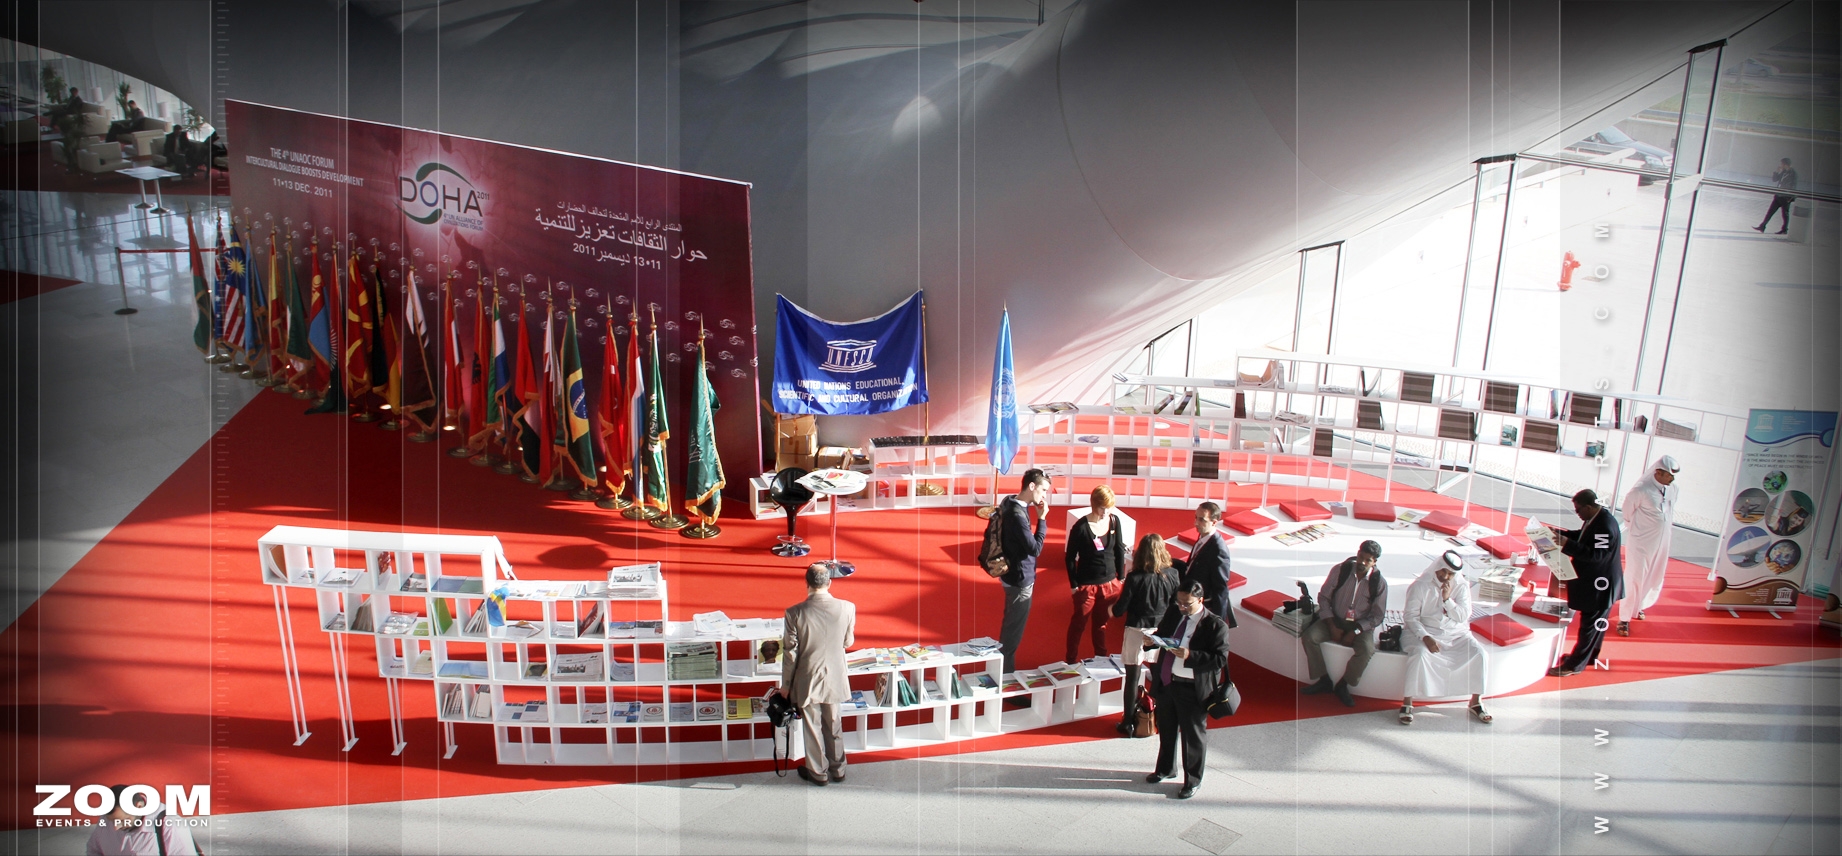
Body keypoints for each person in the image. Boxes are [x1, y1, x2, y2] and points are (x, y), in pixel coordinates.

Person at [1143, 581, 1229, 800]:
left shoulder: (1215, 625)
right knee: (1166, 729)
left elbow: (1220, 659)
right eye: (1179, 602)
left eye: (1187, 604)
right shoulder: (1175, 613)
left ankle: (1193, 780)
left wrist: (1191, 655)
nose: (1182, 607)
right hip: (1167, 682)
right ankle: (1165, 769)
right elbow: (1163, 634)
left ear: (1200, 600)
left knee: (1193, 737)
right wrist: (1151, 641)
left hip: (1192, 688)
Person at [779, 563, 857, 786]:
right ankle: (838, 769)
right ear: (829, 583)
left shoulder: (794, 612)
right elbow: (848, 642)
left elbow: (790, 653)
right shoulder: (848, 607)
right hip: (835, 676)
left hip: (807, 677)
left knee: (812, 727)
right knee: (833, 723)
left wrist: (786, 685)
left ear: (807, 584)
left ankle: (818, 772)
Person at [1399, 551, 1491, 725]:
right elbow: (1410, 617)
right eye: (1444, 571)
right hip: (1424, 632)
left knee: (1480, 654)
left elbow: (1462, 616)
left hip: (1456, 634)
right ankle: (1408, 702)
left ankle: (1476, 701)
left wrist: (1447, 599)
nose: (1446, 576)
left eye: (1451, 574)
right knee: (1419, 655)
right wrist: (1425, 637)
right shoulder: (1420, 586)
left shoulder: (1461, 586)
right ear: (1437, 567)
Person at [1299, 539, 1387, 707]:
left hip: (1360, 626)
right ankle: (1324, 680)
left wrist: (1355, 632)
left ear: (1374, 562)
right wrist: (1332, 626)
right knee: (1309, 637)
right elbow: (1323, 598)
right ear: (1358, 553)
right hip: (1335, 619)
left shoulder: (1379, 583)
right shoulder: (1341, 570)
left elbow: (1377, 616)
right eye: (1361, 557)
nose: (1362, 562)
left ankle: (1343, 685)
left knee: (1367, 649)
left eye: (1368, 560)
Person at [1549, 489, 1623, 677]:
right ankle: (1588, 657)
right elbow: (1583, 536)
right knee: (1596, 625)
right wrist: (1560, 534)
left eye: (1578, 510)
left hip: (1600, 586)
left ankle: (1574, 665)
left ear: (1589, 507)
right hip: (1600, 583)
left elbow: (1596, 555)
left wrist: (1566, 544)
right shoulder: (1597, 519)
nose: (1577, 514)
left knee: (1589, 626)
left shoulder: (1605, 526)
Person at [1110, 533, 1178, 735]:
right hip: (1161, 630)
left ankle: (1128, 722)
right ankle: (1155, 716)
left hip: (1137, 629)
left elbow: (1121, 608)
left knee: (1133, 677)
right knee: (1159, 676)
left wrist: (1111, 610)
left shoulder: (1135, 577)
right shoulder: (1173, 574)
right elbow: (1175, 605)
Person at [1064, 485, 1127, 663]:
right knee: (1078, 625)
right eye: (1102, 507)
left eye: (1109, 507)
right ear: (1094, 504)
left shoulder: (1114, 521)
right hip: (1087, 585)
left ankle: (1101, 658)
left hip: (1110, 584)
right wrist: (1074, 585)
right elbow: (1070, 557)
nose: (1106, 512)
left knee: (1101, 625)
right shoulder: (1081, 527)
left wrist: (1121, 576)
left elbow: (1119, 549)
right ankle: (1070, 660)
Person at [996, 468, 1050, 674]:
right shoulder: (1017, 515)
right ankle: (1006, 675)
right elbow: (1035, 549)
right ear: (1032, 486)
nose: (1044, 496)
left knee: (1010, 623)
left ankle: (1003, 668)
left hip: (1011, 573)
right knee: (1013, 631)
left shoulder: (1009, 502)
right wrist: (1042, 519)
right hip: (1019, 579)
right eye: (1043, 490)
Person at [1618, 456, 1679, 636]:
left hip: (1662, 541)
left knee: (1654, 575)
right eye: (1669, 475)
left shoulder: (1673, 489)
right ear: (1658, 472)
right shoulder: (1641, 490)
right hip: (1641, 542)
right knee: (1634, 577)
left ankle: (1639, 606)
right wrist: (1638, 529)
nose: (1672, 479)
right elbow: (1627, 512)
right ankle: (1624, 618)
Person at [84, 785, 200, 855]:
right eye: (112, 821)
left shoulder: (171, 825)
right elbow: (94, 850)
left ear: (138, 807)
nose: (115, 827)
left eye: (123, 820)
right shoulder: (110, 817)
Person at [1174, 502, 1234, 624]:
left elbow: (1220, 588)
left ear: (1214, 522)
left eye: (1202, 520)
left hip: (1200, 606)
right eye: (1196, 517)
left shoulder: (1218, 549)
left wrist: (1218, 622)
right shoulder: (1203, 537)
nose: (1196, 523)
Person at [1754, 158, 1797, 234]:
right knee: (1770, 212)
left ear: (1785, 164)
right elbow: (1775, 179)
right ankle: (1762, 226)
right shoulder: (1784, 171)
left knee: (1785, 214)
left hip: (1785, 197)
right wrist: (1777, 172)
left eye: (1781, 164)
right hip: (1778, 195)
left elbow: (1793, 185)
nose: (1780, 165)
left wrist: (1790, 197)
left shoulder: (1793, 173)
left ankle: (1784, 229)